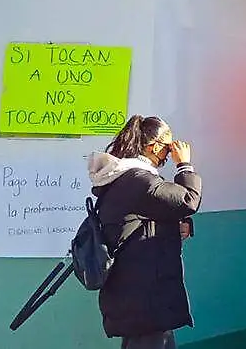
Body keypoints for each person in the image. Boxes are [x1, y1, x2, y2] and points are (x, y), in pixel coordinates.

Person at [88, 115, 202, 349]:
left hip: (134, 294)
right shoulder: (139, 180)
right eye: (168, 148)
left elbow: (141, 220)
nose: (169, 155)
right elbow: (188, 200)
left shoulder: (124, 178)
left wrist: (177, 226)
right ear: (154, 146)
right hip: (144, 298)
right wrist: (185, 165)